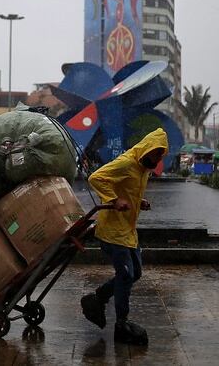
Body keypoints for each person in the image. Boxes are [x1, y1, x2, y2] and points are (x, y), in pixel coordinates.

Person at [80, 128, 168, 346]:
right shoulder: (127, 163)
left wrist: (139, 202)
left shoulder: (142, 168)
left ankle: (98, 297)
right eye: (156, 155)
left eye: (161, 156)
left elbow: (129, 189)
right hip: (112, 232)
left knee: (135, 272)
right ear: (147, 149)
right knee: (126, 274)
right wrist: (113, 199)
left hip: (127, 231)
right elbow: (96, 177)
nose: (157, 160)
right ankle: (121, 323)